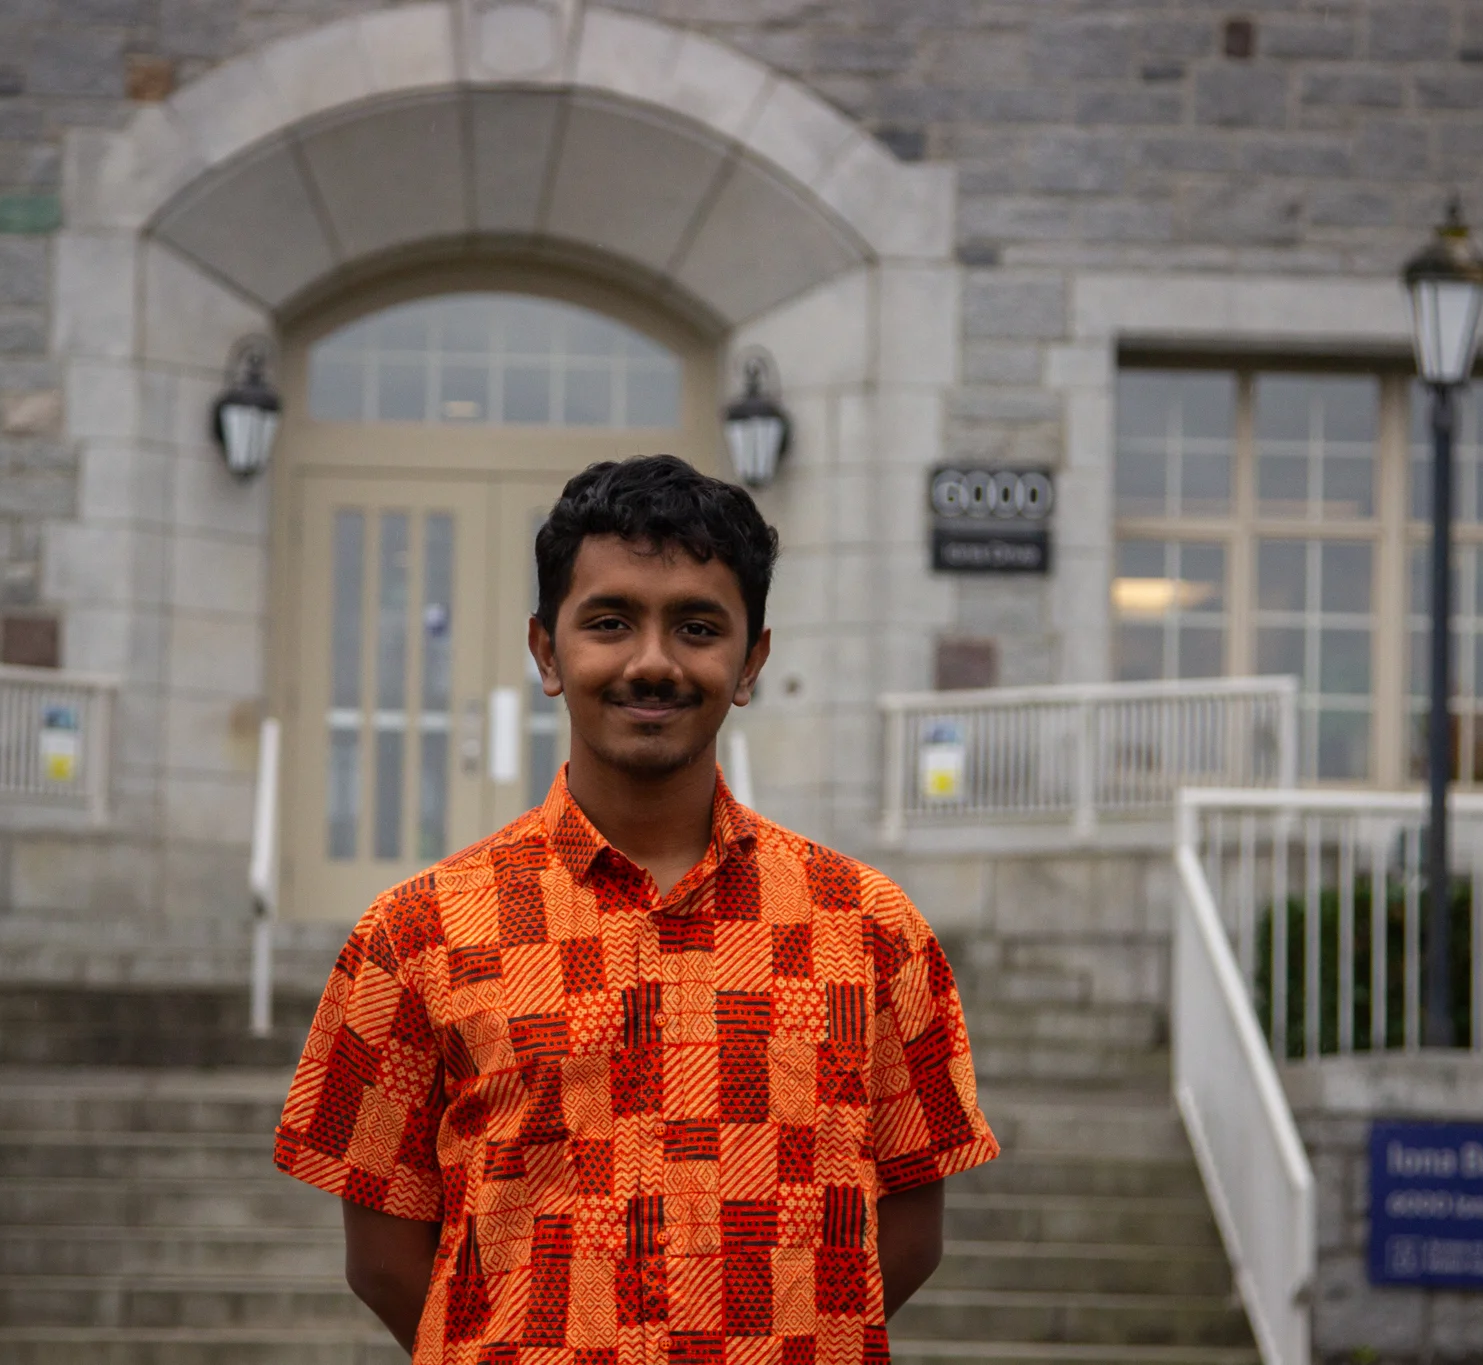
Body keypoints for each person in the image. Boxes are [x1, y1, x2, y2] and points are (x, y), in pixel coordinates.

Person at [275, 454, 998, 1365]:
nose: (652, 662)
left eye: (698, 626)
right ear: (546, 650)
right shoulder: (416, 934)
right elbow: (383, 1258)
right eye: (610, 622)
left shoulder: (868, 928)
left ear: (751, 660)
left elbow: (910, 1231)